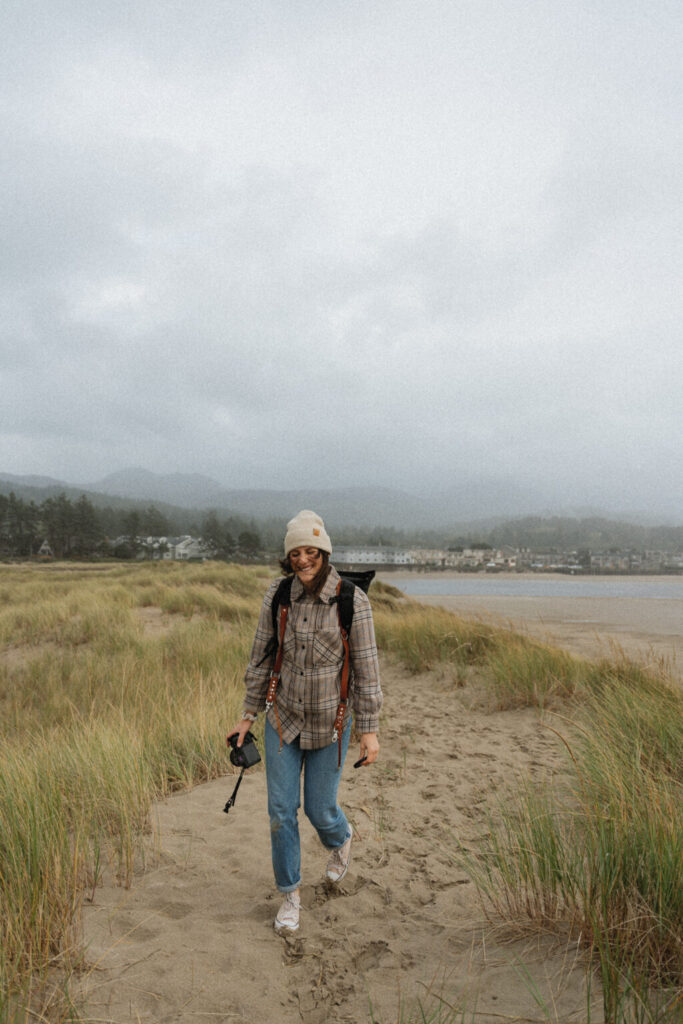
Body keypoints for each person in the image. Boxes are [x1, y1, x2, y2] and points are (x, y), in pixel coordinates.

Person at [227, 509, 382, 934]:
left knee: (319, 809)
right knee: (281, 811)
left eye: (310, 551)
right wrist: (247, 716)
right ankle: (290, 895)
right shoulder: (278, 598)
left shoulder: (352, 601)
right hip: (284, 720)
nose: (302, 560)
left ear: (324, 552)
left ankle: (341, 838)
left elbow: (366, 670)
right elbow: (260, 660)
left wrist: (369, 731)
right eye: (295, 553)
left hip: (332, 725)